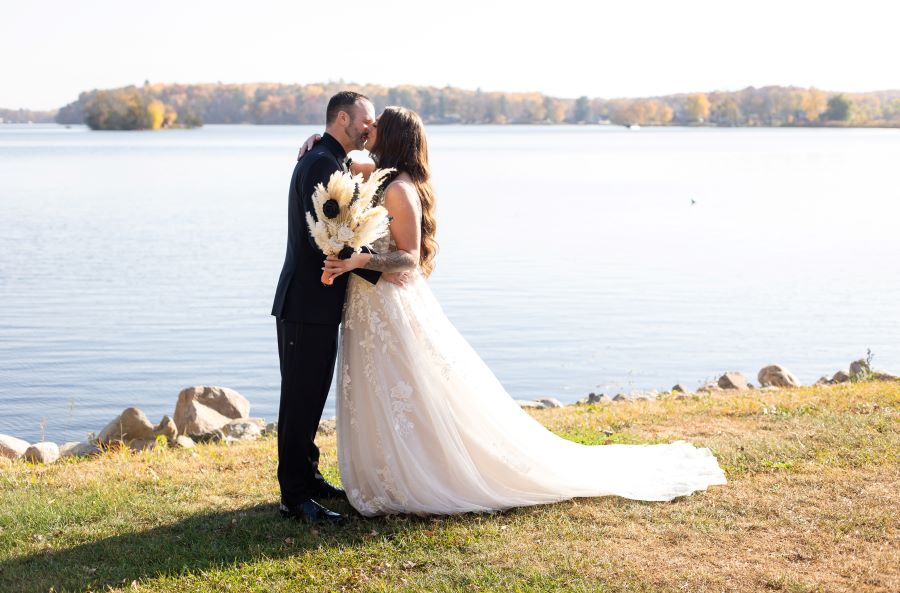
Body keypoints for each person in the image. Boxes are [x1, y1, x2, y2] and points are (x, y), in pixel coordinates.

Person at [314, 106, 727, 517]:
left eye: (378, 125)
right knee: (384, 390)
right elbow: (343, 170)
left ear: (393, 137)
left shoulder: (399, 190)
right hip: (367, 309)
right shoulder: (377, 177)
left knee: (410, 391)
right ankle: (387, 471)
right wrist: (321, 146)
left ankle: (422, 474)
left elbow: (407, 258)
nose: (369, 128)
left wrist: (360, 261)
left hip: (392, 308)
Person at [272, 91, 400, 524]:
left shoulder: (332, 159)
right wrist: (376, 268)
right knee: (299, 399)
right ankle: (294, 497)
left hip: (318, 301)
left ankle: (307, 478)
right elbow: (325, 237)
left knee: (311, 394)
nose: (369, 127)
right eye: (365, 119)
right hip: (306, 300)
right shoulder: (322, 163)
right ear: (342, 117)